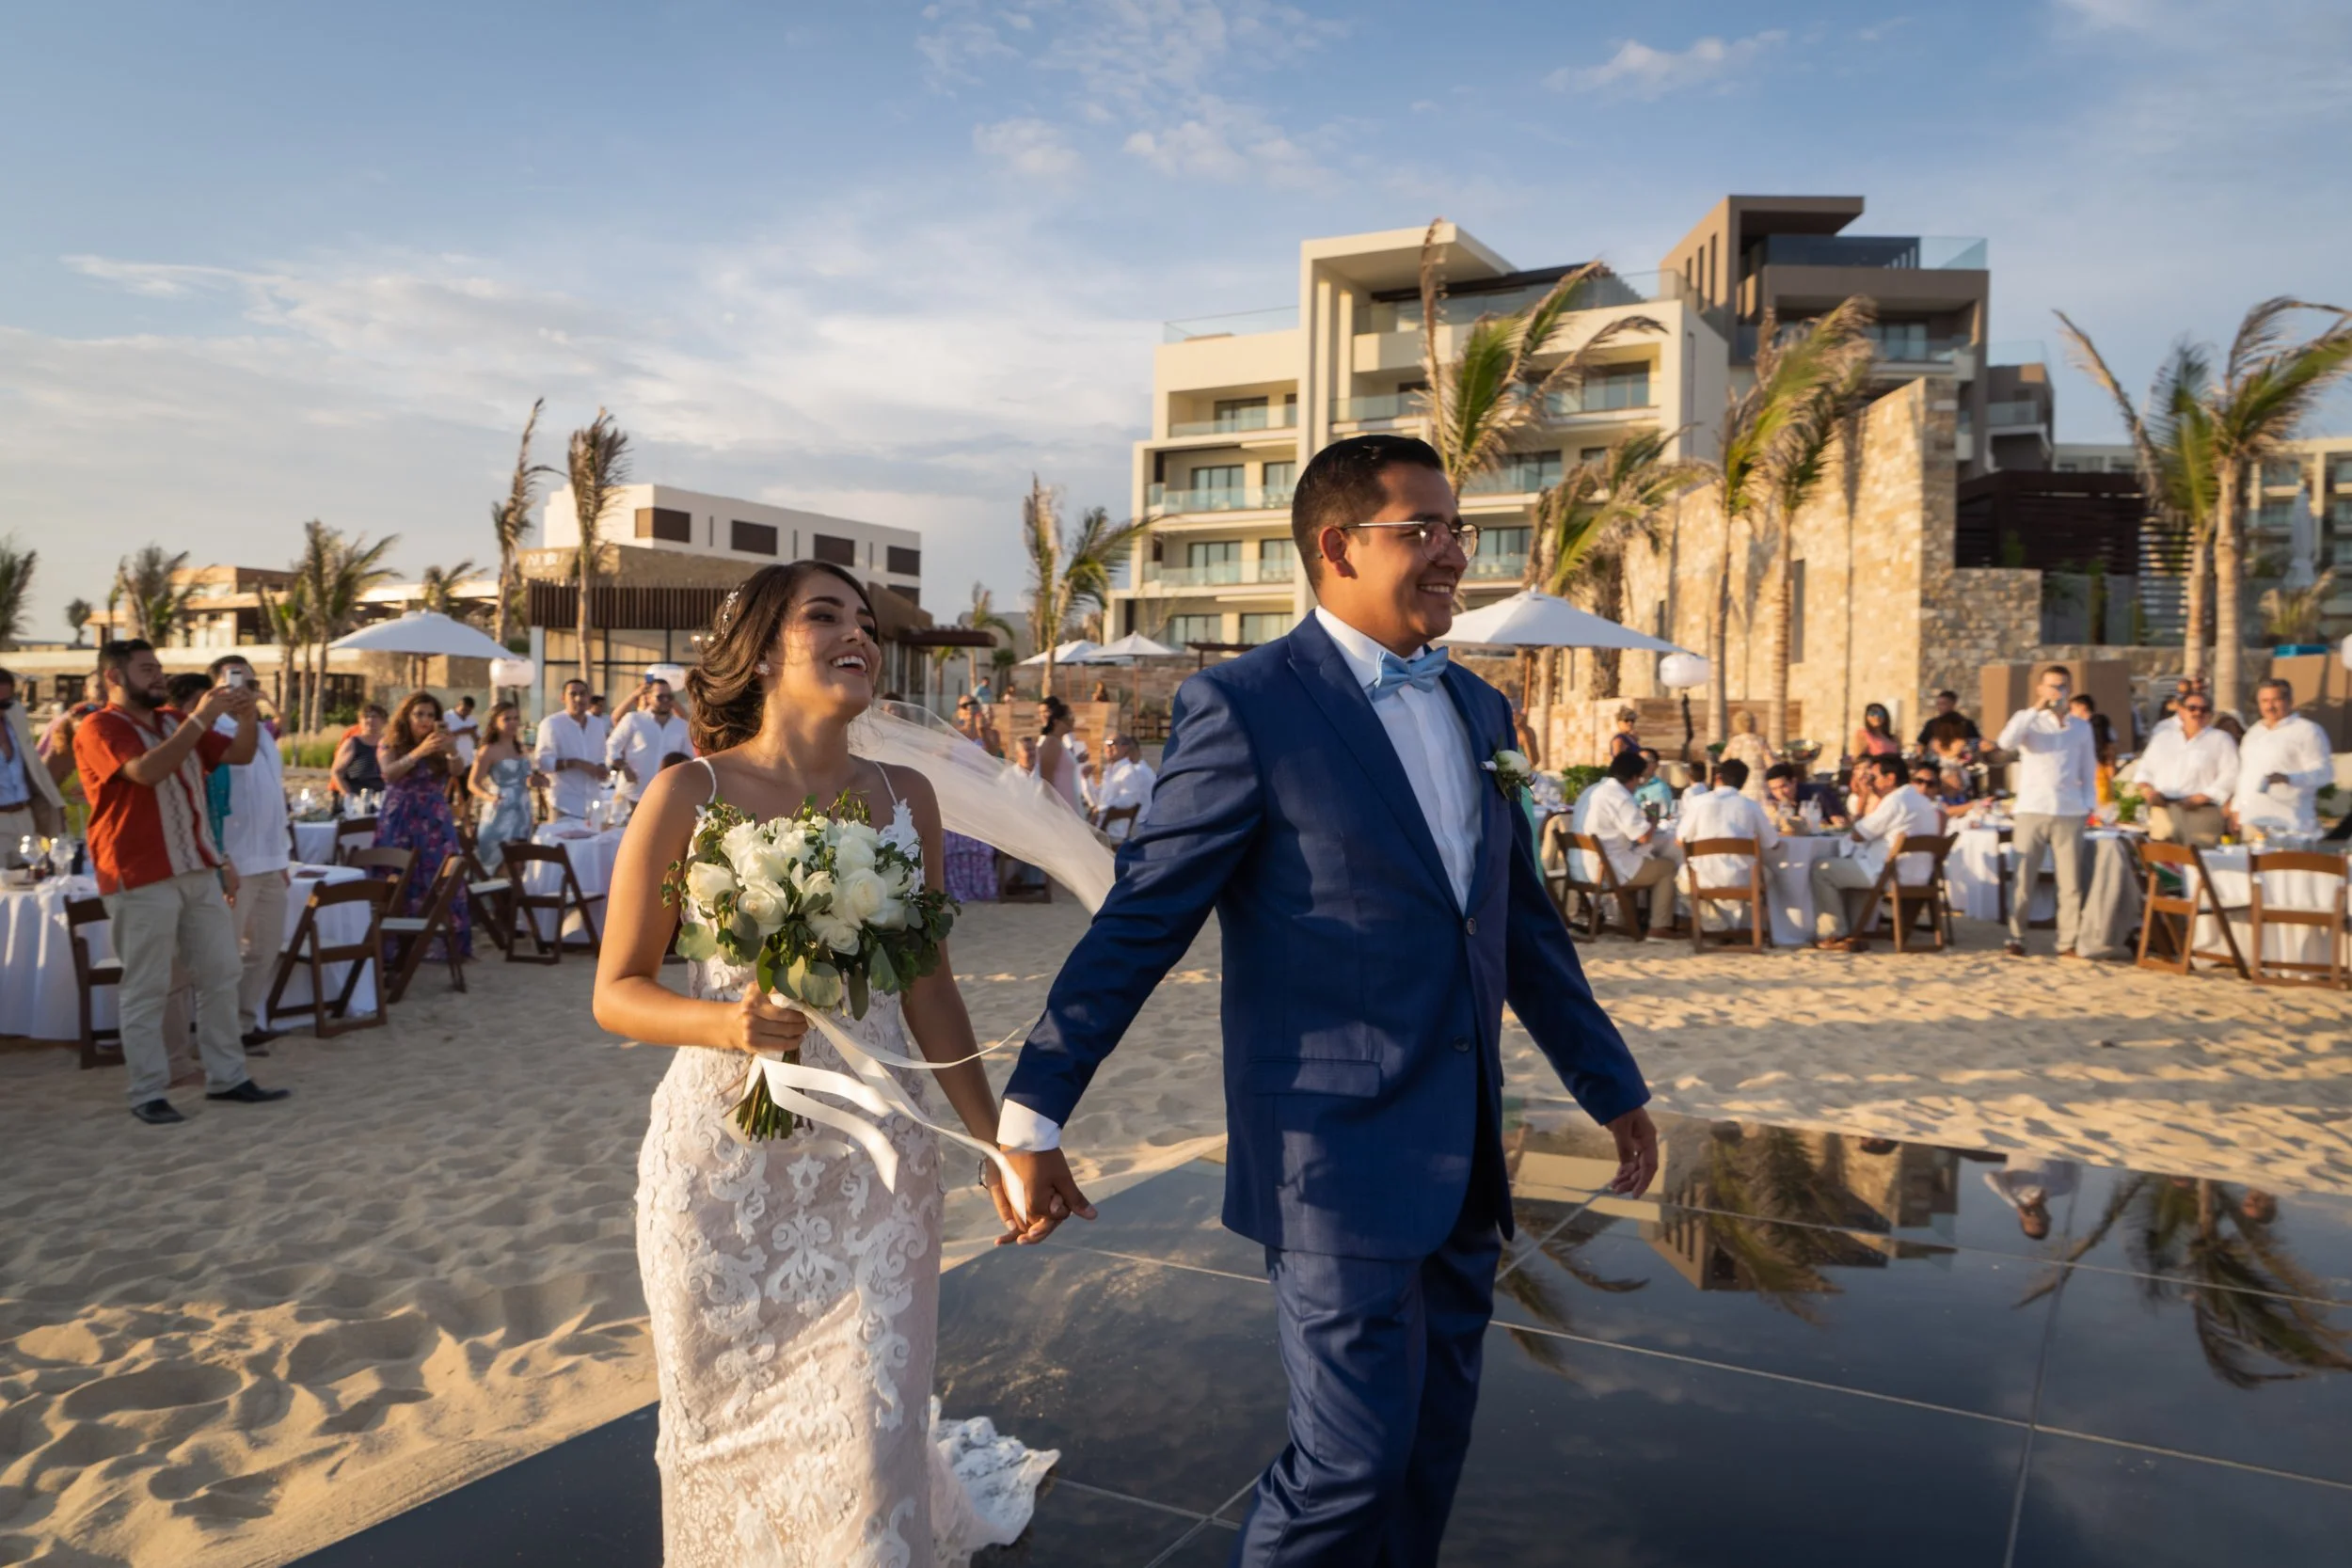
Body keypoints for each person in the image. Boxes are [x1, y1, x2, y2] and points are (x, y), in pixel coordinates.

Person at [993, 434, 1654, 1566]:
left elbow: (1518, 925)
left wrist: (1610, 1082)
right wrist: (1034, 1110)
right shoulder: (1244, 704)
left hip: (1464, 1141)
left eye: (1460, 529)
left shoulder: (1481, 712)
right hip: (1328, 1151)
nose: (1456, 553)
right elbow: (1145, 916)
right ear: (1337, 545)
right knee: (1346, 1461)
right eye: (1425, 530)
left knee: (1427, 1446)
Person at [588, 562, 1051, 1563]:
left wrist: (992, 1142)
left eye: (866, 624)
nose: (858, 635)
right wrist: (725, 1025)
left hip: (875, 1160)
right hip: (722, 1166)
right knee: (724, 1429)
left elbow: (928, 986)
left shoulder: (904, 797)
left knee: (872, 1430)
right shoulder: (687, 794)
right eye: (825, 616)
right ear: (760, 651)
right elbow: (615, 988)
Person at [73, 640, 290, 1125]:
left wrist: (247, 714)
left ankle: (227, 1077)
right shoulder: (99, 726)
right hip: (139, 874)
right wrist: (201, 718)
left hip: (197, 866)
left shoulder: (173, 721)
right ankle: (147, 1089)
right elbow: (145, 772)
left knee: (220, 973)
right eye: (146, 669)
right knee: (147, 985)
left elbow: (239, 753)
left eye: (158, 668)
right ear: (114, 677)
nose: (157, 676)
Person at [205, 656, 294, 1052]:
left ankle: (244, 1023)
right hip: (235, 860)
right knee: (225, 954)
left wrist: (284, 856)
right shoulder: (212, 731)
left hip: (271, 860)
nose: (246, 689)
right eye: (236, 681)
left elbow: (273, 797)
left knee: (265, 948)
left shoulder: (260, 732)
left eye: (251, 682)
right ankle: (219, 1034)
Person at [1997, 664, 2097, 958]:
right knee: (2023, 878)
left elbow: (2087, 769)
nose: (2057, 691)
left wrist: (2088, 805)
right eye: (2052, 686)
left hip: (2070, 811)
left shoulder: (2081, 727)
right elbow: (2006, 742)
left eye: (2063, 686)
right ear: (2041, 688)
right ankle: (2016, 937)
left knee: (2070, 883)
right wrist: (2035, 709)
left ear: (2070, 690)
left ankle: (2067, 941)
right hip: (2032, 808)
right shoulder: (2028, 721)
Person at [1811, 752, 1942, 952]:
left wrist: (1865, 801)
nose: (1870, 782)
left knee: (1822, 869)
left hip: (1889, 874)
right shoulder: (1922, 801)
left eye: (1874, 777)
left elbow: (1859, 834)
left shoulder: (1896, 801)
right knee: (1854, 866)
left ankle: (1833, 933)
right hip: (1920, 875)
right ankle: (1855, 930)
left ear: (1890, 778)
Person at [375, 691, 471, 958]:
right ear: (406, 716)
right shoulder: (391, 743)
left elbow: (457, 772)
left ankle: (437, 944)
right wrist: (418, 752)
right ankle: (395, 947)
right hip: (400, 818)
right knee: (398, 878)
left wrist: (451, 751)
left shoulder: (441, 745)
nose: (425, 720)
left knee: (438, 876)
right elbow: (389, 775)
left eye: (431, 715)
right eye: (419, 714)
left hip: (434, 820)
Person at [1567, 748, 1677, 935]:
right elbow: (1642, 837)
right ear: (1634, 777)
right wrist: (1653, 818)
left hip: (1579, 867)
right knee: (1667, 867)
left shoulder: (1592, 791)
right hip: (1606, 871)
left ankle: (1629, 918)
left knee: (1645, 859)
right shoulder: (1619, 796)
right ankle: (1659, 926)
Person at [1678, 758, 1780, 932]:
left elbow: (1680, 840)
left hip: (1703, 877)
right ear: (1743, 782)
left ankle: (1717, 924)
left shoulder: (1698, 802)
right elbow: (1772, 843)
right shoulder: (1751, 806)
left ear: (1718, 778)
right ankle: (1746, 926)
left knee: (1681, 882)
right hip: (1743, 878)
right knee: (1769, 875)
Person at [2232, 677, 2331, 839]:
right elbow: (2245, 773)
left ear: (2290, 701)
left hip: (2290, 822)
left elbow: (2324, 773)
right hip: (2253, 819)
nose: (2269, 706)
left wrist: (2288, 778)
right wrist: (2236, 808)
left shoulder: (2308, 731)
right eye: (2264, 701)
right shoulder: (2254, 732)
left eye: (2275, 700)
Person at [2135, 692, 2236, 847]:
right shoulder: (2163, 738)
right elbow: (2144, 770)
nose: (2198, 713)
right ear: (2181, 712)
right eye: (2192, 708)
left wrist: (2202, 797)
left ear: (2210, 713)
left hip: (2201, 813)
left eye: (2204, 709)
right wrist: (2148, 791)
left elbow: (2231, 775)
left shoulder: (2221, 739)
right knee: (2164, 865)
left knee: (2200, 865)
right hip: (2164, 811)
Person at [0, 666, 68, 844]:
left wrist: (56, 805)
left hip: (25, 819)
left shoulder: (15, 714)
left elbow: (33, 765)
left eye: (5, 703)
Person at [469, 702, 539, 864]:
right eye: (507, 719)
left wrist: (535, 780)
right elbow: (472, 783)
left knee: (521, 858)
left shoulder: (520, 747)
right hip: (500, 808)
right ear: (495, 722)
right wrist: (489, 796)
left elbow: (525, 777)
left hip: (523, 807)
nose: (513, 723)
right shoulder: (488, 750)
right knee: (499, 861)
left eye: (516, 718)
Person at [606, 677, 693, 805]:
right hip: (632, 793)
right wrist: (624, 767)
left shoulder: (681, 725)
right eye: (660, 697)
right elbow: (612, 745)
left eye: (669, 697)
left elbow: (688, 758)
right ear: (648, 697)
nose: (665, 700)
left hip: (665, 795)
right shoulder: (633, 719)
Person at [533, 679, 612, 821]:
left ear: (588, 697)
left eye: (582, 694)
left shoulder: (598, 724)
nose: (578, 698)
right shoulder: (552, 724)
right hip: (564, 803)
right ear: (563, 698)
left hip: (593, 802)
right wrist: (575, 763)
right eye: (573, 694)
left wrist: (601, 768)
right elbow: (543, 763)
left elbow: (601, 756)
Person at [1090, 733, 1156, 841]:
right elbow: (1097, 800)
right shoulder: (1110, 771)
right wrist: (1086, 780)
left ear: (1125, 747)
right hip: (1102, 828)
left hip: (1113, 832)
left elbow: (1129, 800)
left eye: (1112, 744)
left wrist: (1101, 809)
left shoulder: (1129, 771)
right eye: (1106, 744)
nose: (1108, 747)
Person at [1034, 694, 1082, 816]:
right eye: (1068, 717)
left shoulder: (1058, 742)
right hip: (1060, 809)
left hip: (1069, 804)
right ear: (1057, 721)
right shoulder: (1051, 743)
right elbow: (1046, 781)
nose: (1072, 719)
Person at [331, 705, 388, 800]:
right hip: (358, 796)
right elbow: (336, 772)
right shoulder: (353, 743)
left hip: (383, 797)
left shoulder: (390, 744)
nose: (370, 720)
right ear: (360, 721)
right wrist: (349, 797)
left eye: (374, 717)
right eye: (366, 717)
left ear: (384, 721)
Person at [2070, 693, 2118, 803]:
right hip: (2094, 772)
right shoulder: (2078, 726)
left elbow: (2109, 747)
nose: (2071, 712)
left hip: (2095, 771)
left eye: (2072, 708)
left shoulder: (2096, 724)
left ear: (2082, 707)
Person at [1721, 709, 1774, 801]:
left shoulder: (1734, 742)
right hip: (1759, 785)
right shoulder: (1761, 741)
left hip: (1741, 783)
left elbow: (1723, 761)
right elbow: (1771, 763)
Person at [1915, 690, 1981, 762]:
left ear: (1953, 704)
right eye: (1938, 704)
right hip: (1936, 763)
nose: (1939, 707)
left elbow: (1975, 743)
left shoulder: (1965, 724)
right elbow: (1921, 743)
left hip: (1959, 762)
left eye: (1943, 704)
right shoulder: (1932, 724)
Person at [1632, 747, 1677, 819]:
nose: (1644, 763)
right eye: (1640, 760)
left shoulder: (1660, 788)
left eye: (1648, 760)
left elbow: (1656, 816)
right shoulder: (1629, 784)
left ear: (1656, 765)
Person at [1762, 761, 1806, 832]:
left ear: (1794, 782)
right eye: (1774, 789)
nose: (1780, 793)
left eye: (1783, 786)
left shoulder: (1817, 795)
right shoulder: (1771, 801)